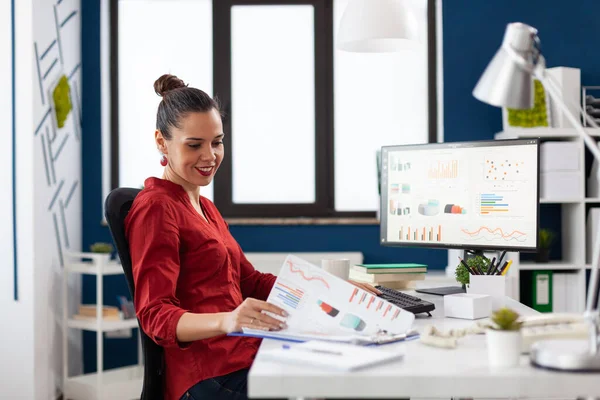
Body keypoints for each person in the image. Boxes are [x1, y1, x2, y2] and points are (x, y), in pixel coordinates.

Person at [125, 74, 379, 400]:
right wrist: (228, 321)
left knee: (362, 370)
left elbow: (251, 281)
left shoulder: (205, 207)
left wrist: (332, 289)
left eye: (216, 142)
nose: (210, 156)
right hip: (209, 374)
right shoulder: (156, 208)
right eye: (194, 145)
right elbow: (155, 315)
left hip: (246, 353)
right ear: (161, 142)